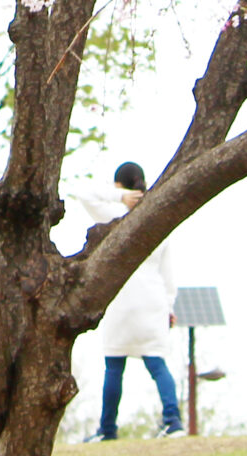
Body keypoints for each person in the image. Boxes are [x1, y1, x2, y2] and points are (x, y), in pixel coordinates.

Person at [74, 161, 184, 438]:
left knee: (114, 365)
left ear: (119, 185)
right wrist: (169, 307)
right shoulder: (159, 219)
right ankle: (173, 422)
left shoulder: (112, 213)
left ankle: (107, 428)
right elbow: (168, 275)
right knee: (157, 363)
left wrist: (118, 198)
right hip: (153, 300)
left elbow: (83, 193)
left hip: (120, 298)